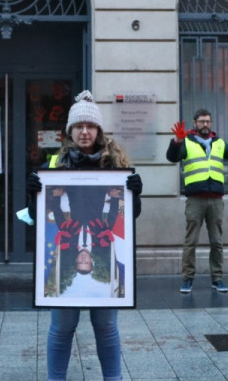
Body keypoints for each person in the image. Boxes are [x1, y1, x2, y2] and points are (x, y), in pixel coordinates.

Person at [25, 90, 142, 381]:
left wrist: (135, 195)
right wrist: (33, 194)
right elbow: (40, 218)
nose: (85, 132)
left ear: (99, 131)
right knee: (62, 327)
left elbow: (128, 218)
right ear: (70, 132)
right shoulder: (54, 164)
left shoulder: (115, 165)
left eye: (90, 126)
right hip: (71, 246)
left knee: (105, 327)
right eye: (79, 126)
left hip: (103, 251)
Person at [166, 109, 228, 294]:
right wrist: (177, 142)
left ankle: (217, 278)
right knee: (191, 242)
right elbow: (172, 157)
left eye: (208, 121)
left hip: (215, 200)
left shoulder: (219, 143)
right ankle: (187, 279)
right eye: (201, 121)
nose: (205, 124)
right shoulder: (187, 142)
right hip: (195, 200)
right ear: (195, 123)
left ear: (211, 124)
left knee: (217, 242)